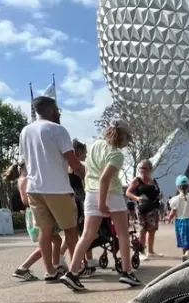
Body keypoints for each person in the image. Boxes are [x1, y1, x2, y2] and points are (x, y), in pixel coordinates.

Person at [60, 120, 141, 292]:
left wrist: (93, 195)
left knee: (87, 235)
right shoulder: (117, 155)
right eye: (128, 138)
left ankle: (72, 272)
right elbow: (105, 179)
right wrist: (102, 203)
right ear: (122, 136)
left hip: (90, 192)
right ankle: (126, 272)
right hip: (110, 193)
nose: (128, 142)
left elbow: (89, 172)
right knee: (123, 234)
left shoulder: (96, 145)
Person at [18, 96, 84, 279]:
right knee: (70, 230)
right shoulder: (58, 130)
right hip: (57, 188)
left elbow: (22, 162)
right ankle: (75, 270)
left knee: (45, 231)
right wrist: (87, 176)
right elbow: (72, 161)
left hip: (34, 188)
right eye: (56, 109)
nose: (58, 112)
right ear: (51, 109)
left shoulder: (25, 131)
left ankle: (49, 271)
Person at [11, 167, 64, 281]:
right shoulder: (26, 179)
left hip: (35, 211)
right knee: (47, 242)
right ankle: (24, 267)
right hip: (37, 212)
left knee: (55, 240)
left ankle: (55, 266)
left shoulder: (23, 178)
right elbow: (27, 199)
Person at [69, 139, 97, 274]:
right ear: (79, 152)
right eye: (85, 153)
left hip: (75, 201)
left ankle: (88, 260)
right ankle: (84, 262)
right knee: (84, 233)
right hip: (79, 202)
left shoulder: (67, 167)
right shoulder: (78, 167)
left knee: (78, 234)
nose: (86, 156)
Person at [126, 160, 162, 257]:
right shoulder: (137, 180)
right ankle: (141, 252)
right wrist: (136, 198)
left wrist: (160, 195)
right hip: (143, 209)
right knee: (143, 230)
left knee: (152, 230)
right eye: (141, 168)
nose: (142, 170)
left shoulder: (153, 181)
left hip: (153, 209)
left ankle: (150, 251)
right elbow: (128, 192)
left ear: (150, 169)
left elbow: (157, 192)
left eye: (145, 168)